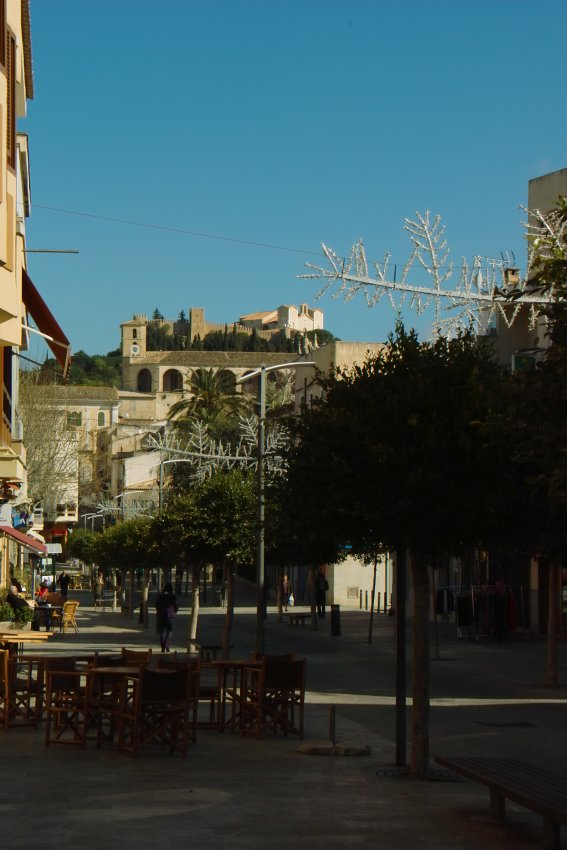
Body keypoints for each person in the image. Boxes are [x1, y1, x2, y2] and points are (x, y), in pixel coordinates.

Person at [155, 581, 179, 653]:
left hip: (161, 615)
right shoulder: (173, 597)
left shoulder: (160, 596)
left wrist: (159, 611)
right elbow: (176, 606)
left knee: (162, 632)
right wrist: (174, 611)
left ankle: (163, 646)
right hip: (170, 615)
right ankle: (167, 645)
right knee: (169, 631)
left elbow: (156, 605)